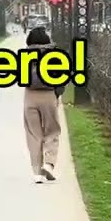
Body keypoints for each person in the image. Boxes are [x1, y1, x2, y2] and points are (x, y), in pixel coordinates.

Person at [23, 26, 66, 184]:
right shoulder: (54, 54)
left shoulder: (25, 55)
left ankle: (37, 172)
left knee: (34, 134)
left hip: (30, 95)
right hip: (49, 95)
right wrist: (57, 93)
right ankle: (48, 163)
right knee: (52, 131)